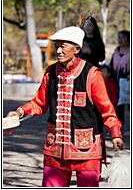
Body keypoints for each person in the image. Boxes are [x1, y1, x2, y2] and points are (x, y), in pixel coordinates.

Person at [5, 26, 124, 187]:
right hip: (55, 148)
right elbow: (39, 103)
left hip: (87, 149)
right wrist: (19, 112)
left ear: (76, 49)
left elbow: (106, 109)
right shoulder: (51, 72)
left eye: (63, 46)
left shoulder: (92, 75)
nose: (58, 51)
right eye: (56, 47)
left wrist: (115, 133)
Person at [110, 30, 130, 136]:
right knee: (119, 107)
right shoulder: (116, 52)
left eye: (123, 37)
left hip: (128, 84)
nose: (120, 40)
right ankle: (120, 130)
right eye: (119, 37)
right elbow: (111, 66)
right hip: (116, 83)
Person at [100, 63, 118, 139]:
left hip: (110, 105)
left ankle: (110, 132)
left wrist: (114, 103)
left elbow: (114, 94)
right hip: (101, 105)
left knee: (110, 119)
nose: (102, 74)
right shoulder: (99, 82)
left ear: (109, 73)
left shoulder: (111, 83)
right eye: (101, 72)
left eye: (104, 72)